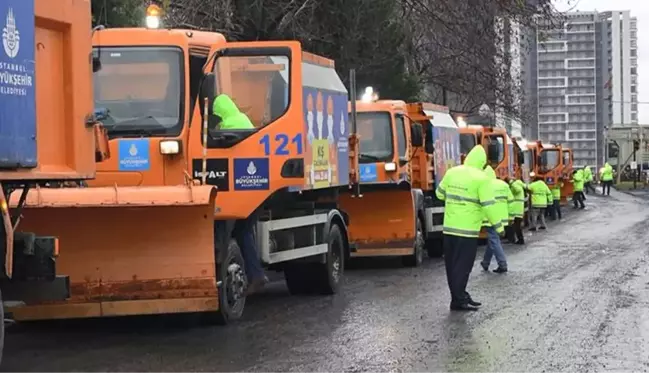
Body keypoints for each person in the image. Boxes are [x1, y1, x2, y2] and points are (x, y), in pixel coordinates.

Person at [436, 145, 503, 312]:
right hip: (467, 231)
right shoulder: (481, 178)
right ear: (481, 162)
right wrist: (499, 227)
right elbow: (489, 205)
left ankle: (459, 297)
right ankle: (459, 300)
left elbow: (439, 194)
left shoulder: (452, 172)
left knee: (451, 266)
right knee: (463, 266)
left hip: (449, 228)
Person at [212, 93, 268, 294]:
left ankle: (255, 275)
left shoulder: (226, 126)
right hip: (255, 189)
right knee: (243, 231)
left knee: (239, 231)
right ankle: (255, 274)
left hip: (238, 190)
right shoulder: (243, 119)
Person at [480, 166, 509, 274]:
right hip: (502, 218)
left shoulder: (484, 186)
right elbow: (510, 200)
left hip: (490, 218)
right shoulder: (504, 184)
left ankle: (502, 264)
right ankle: (485, 262)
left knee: (494, 240)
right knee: (492, 240)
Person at [506, 178, 525, 245]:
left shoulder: (517, 185)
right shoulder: (517, 186)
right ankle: (515, 239)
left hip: (517, 211)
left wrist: (511, 182)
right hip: (517, 210)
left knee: (516, 226)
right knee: (515, 226)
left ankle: (520, 240)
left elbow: (517, 190)